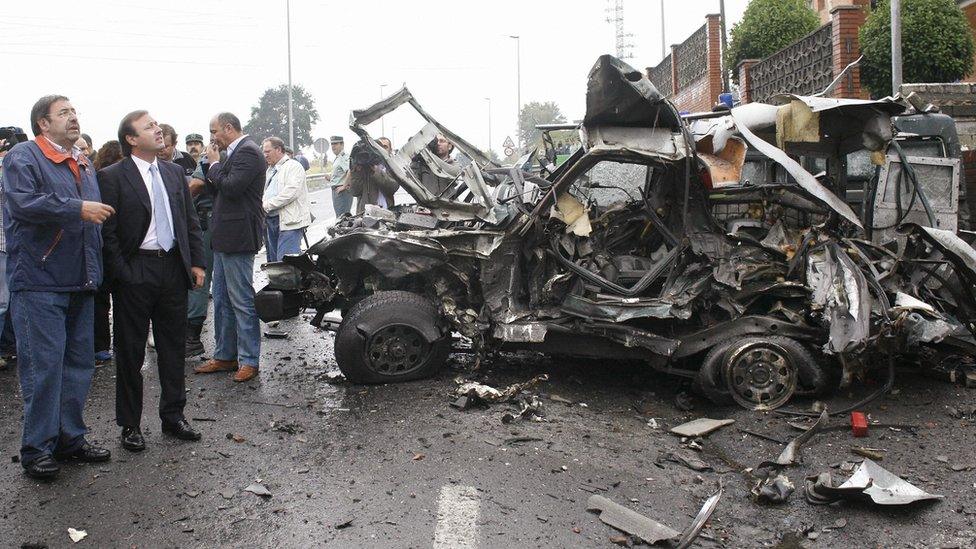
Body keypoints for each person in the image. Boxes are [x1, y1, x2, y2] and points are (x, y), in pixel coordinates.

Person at [2, 95, 115, 479]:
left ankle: (70, 438)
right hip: (39, 281)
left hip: (80, 279)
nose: (73, 118)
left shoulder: (82, 160)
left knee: (79, 364)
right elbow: (22, 204)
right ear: (42, 124)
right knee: (43, 369)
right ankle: (37, 448)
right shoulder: (24, 156)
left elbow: (94, 223)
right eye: (63, 113)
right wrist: (76, 207)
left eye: (75, 112)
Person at [98, 111, 206, 451]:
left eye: (157, 125)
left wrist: (197, 263)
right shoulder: (112, 177)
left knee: (173, 348)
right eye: (149, 127)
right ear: (131, 139)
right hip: (136, 271)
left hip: (172, 269)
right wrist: (124, 274)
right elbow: (107, 233)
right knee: (130, 350)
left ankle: (173, 416)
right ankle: (130, 424)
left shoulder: (174, 173)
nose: (157, 130)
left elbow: (189, 222)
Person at [192, 112, 263, 383]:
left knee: (241, 300)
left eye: (214, 131)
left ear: (228, 128)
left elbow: (231, 187)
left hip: (239, 237)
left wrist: (213, 166)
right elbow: (217, 190)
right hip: (224, 237)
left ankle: (249, 360)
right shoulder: (231, 154)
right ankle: (225, 355)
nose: (211, 137)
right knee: (221, 300)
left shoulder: (249, 152)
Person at [93, 140, 125, 365]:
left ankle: (105, 346)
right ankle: (103, 346)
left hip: (113, 246)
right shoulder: (104, 179)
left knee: (111, 300)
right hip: (107, 246)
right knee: (104, 299)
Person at [261, 137, 311, 262]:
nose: (265, 155)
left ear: (278, 150)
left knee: (286, 264)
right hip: (272, 220)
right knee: (275, 263)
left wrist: (266, 205)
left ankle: (293, 282)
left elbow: (290, 194)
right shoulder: (270, 170)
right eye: (264, 152)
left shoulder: (293, 167)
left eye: (268, 151)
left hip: (289, 223)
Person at [349, 138, 399, 214]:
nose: (382, 149)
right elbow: (355, 192)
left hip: (387, 211)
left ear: (390, 150)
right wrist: (356, 172)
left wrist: (377, 172)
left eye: (385, 147)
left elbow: (393, 188)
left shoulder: (391, 167)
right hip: (366, 214)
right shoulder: (363, 168)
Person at [325, 136, 351, 216]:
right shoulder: (338, 158)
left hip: (342, 192)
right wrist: (331, 179)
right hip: (337, 191)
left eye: (336, 144)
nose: (333, 146)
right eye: (332, 144)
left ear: (342, 144)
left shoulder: (343, 157)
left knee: (342, 218)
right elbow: (341, 175)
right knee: (340, 217)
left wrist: (344, 186)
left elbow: (350, 171)